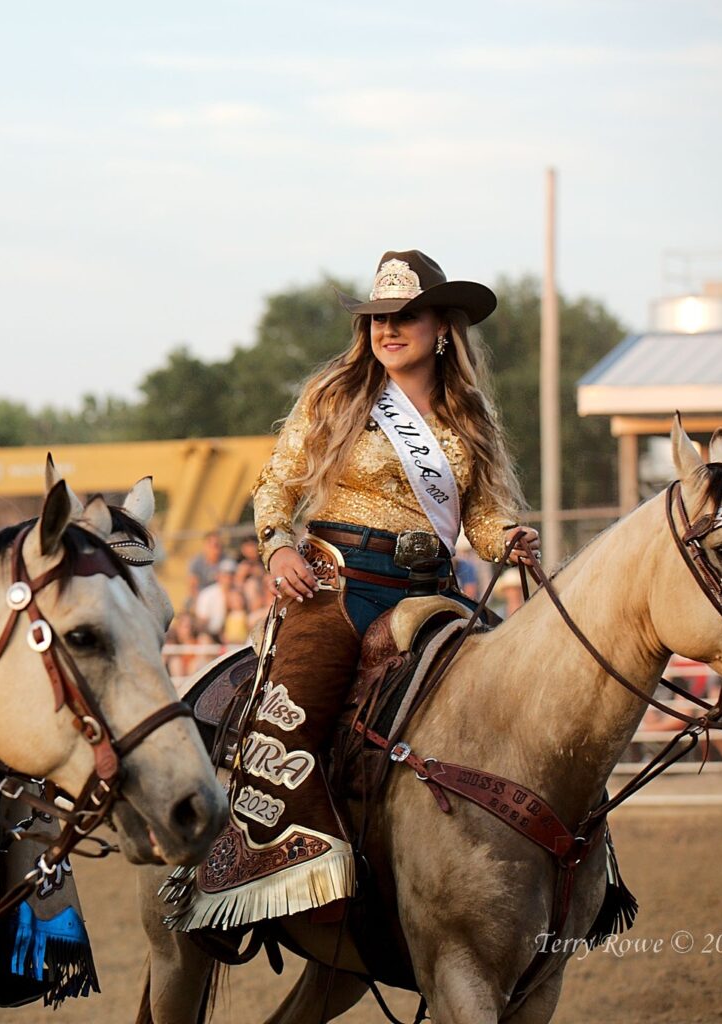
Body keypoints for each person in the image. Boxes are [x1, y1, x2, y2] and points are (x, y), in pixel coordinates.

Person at [173, 250, 539, 931]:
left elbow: (483, 513)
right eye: (378, 318)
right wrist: (278, 545)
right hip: (338, 584)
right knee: (294, 717)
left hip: (434, 590)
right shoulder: (336, 394)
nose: (389, 329)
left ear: (443, 327)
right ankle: (241, 866)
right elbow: (275, 489)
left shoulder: (470, 413)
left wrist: (506, 538)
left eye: (406, 316)